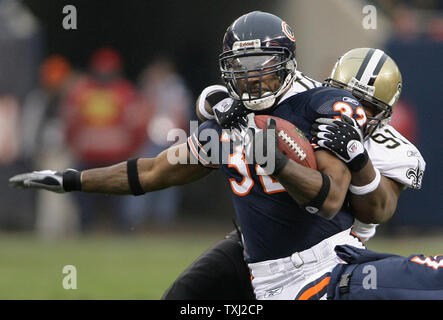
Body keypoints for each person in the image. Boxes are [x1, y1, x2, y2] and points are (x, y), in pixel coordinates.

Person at [8, 12, 437, 300]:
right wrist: (73, 179)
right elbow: (157, 170)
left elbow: (336, 201)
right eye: (242, 63)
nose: (251, 74)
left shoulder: (324, 111)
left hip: (332, 255)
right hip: (260, 253)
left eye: (262, 62)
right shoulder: (240, 119)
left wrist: (347, 153)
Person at [162, 47, 427, 300]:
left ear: (384, 115)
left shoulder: (395, 150)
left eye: (367, 107)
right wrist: (215, 101)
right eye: (343, 94)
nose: (352, 107)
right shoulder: (307, 95)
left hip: (330, 256)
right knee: (184, 294)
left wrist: (359, 159)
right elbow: (222, 96)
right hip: (263, 237)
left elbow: (380, 209)